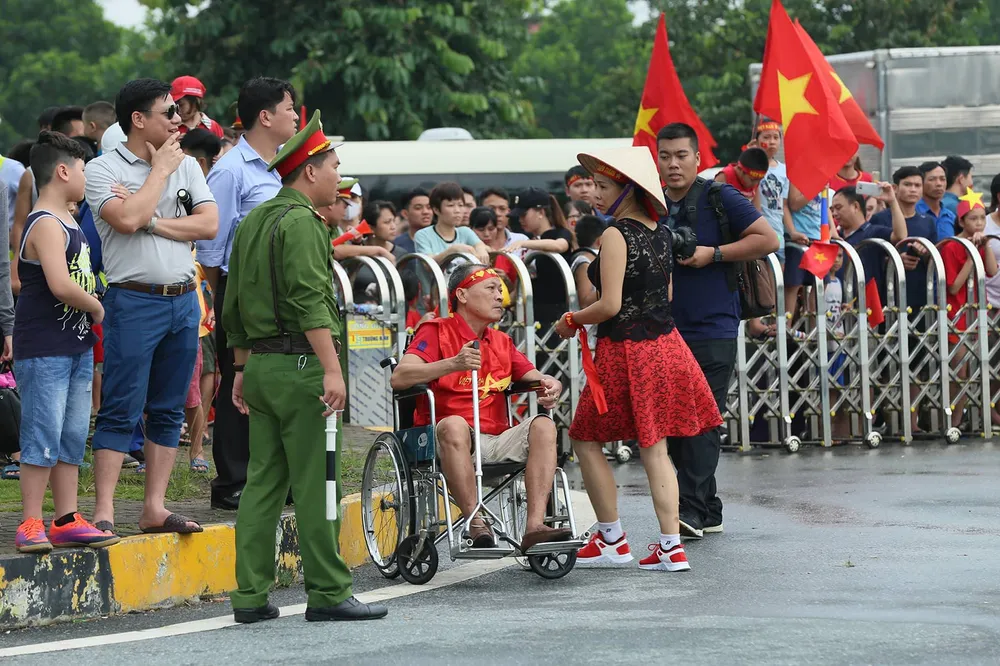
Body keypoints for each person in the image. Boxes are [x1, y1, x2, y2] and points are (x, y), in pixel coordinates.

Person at [224, 110, 387, 623]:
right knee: (320, 484)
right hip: (303, 370)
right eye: (335, 166)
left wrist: (241, 369)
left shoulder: (256, 218)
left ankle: (250, 598)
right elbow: (311, 301)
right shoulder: (304, 224)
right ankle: (328, 591)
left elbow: (232, 302)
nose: (339, 177)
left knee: (262, 485)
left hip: (264, 369)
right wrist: (333, 369)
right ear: (310, 171)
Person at [554, 146, 722, 571]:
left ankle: (612, 538)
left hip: (626, 350)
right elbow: (665, 295)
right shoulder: (661, 231)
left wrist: (571, 319)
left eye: (604, 186)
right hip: (666, 346)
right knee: (655, 447)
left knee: (584, 438)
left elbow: (609, 305)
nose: (594, 193)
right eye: (594, 185)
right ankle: (670, 546)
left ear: (627, 190)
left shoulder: (615, 235)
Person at [84, 78, 219, 535]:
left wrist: (152, 220)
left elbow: (210, 225)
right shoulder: (102, 168)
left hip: (183, 301)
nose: (179, 119)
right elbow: (122, 220)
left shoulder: (188, 166)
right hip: (133, 300)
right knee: (121, 405)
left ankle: (154, 508)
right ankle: (104, 510)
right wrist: (158, 173)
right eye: (169, 113)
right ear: (138, 120)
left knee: (168, 409)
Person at [390, 263, 573, 552]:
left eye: (500, 290)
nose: (500, 296)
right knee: (454, 425)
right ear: (462, 294)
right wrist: (453, 364)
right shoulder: (435, 330)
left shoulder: (501, 341)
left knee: (544, 424)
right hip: (450, 438)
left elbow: (538, 378)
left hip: (496, 438)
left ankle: (535, 527)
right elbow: (399, 377)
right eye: (490, 288)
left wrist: (551, 385)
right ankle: (476, 524)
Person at [654, 122, 778, 538]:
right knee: (673, 420)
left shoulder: (719, 196)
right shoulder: (650, 202)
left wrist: (714, 253)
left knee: (702, 417)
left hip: (714, 325)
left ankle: (690, 507)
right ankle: (708, 507)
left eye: (681, 156)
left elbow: (768, 238)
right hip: (663, 328)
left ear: (697, 158)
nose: (673, 164)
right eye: (665, 156)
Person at [198, 76, 299, 511]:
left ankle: (277, 477)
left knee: (279, 386)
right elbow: (211, 251)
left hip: (284, 296)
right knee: (238, 383)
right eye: (290, 108)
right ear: (265, 116)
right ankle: (232, 480)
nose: (296, 116)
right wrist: (221, 310)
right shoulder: (231, 170)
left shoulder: (287, 166)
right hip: (239, 295)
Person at [13, 131, 116, 553]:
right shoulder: (45, 223)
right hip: (44, 348)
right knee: (42, 433)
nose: (85, 177)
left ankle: (66, 517)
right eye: (83, 169)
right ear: (62, 171)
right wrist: (97, 307)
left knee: (72, 434)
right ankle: (30, 522)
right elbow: (59, 284)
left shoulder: (70, 218)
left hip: (73, 346)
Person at [870, 166, 939, 433]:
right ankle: (890, 419)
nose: (913, 190)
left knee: (919, 362)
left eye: (917, 185)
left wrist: (924, 253)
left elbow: (937, 257)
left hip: (920, 299)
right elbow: (877, 252)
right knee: (888, 362)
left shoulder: (927, 221)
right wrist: (895, 258)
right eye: (907, 185)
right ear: (895, 188)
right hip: (889, 300)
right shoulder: (881, 218)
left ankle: (912, 421)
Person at [942, 189, 997, 430]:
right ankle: (953, 419)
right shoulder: (952, 246)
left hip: (978, 313)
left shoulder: (982, 242)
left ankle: (972, 417)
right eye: (973, 219)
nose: (978, 223)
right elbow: (954, 285)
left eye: (982, 218)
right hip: (958, 315)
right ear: (961, 221)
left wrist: (984, 248)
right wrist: (971, 255)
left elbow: (992, 271)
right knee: (959, 370)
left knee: (980, 367)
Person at [504, 188, 575, 327]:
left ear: (541, 212)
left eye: (524, 215)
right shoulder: (530, 240)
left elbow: (560, 246)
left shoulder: (560, 233)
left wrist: (525, 243)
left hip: (556, 313)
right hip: (530, 312)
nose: (520, 220)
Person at [414, 181, 490, 264]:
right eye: (450, 205)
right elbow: (428, 265)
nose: (457, 210)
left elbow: (480, 245)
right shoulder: (423, 235)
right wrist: (453, 250)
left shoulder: (465, 231)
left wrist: (481, 249)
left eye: (460, 205)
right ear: (436, 209)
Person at [753, 119, 789, 264]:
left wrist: (792, 232)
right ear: (756, 141)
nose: (772, 142)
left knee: (778, 281)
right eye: (766, 137)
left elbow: (784, 205)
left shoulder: (785, 170)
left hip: (778, 235)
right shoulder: (750, 167)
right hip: (757, 234)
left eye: (776, 137)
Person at [917, 161, 957, 241]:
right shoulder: (913, 212)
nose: (939, 184)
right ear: (921, 183)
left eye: (942, 179)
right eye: (932, 179)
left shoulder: (950, 216)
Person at [393, 188, 433, 257]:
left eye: (429, 207)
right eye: (418, 208)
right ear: (405, 214)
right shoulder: (397, 246)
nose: (425, 212)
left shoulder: (441, 239)